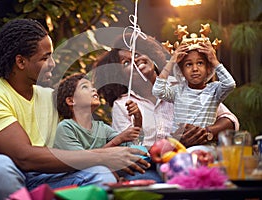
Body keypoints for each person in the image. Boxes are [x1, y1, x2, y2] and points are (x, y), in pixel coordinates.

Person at [0, 19, 150, 200]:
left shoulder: (48, 97)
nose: (53, 63)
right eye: (45, 57)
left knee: (99, 174)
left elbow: (82, 128)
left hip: (37, 179)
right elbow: (23, 157)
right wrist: (102, 156)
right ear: (20, 62)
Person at [93, 33, 239, 181]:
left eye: (137, 54)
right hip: (150, 167)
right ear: (122, 76)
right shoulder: (122, 105)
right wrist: (175, 144)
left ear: (150, 56)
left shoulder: (183, 86)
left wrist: (207, 132)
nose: (136, 61)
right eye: (125, 63)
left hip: (194, 157)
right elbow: (129, 151)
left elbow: (229, 120)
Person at [152, 41, 236, 144]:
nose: (195, 69)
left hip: (205, 147)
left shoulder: (214, 91)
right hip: (179, 147)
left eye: (200, 63)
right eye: (188, 65)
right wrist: (172, 61)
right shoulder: (177, 91)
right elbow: (157, 91)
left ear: (208, 68)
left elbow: (230, 84)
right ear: (181, 71)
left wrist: (214, 60)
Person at [53, 72, 143, 150]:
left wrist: (137, 118)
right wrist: (118, 139)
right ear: (71, 101)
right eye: (84, 87)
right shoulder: (66, 127)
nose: (94, 89)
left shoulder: (102, 128)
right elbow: (83, 160)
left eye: (92, 86)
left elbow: (128, 144)